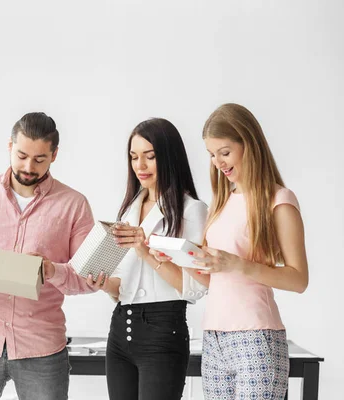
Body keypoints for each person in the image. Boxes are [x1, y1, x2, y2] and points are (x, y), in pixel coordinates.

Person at [0, 112, 103, 400]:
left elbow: (89, 279)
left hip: (41, 348)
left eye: (39, 159)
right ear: (9, 146)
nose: (28, 167)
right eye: (21, 155)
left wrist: (51, 270)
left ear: (54, 155)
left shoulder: (74, 205)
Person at [193, 103, 309, 400]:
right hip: (214, 338)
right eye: (212, 154)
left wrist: (238, 264)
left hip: (256, 338)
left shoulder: (279, 199)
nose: (218, 162)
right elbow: (217, 280)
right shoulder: (222, 202)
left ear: (250, 144)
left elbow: (298, 280)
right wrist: (188, 262)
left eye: (225, 152)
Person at [101, 118, 208, 400]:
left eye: (150, 156)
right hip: (120, 331)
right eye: (134, 157)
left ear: (169, 157)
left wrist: (146, 252)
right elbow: (125, 287)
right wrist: (102, 283)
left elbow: (197, 286)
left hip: (163, 331)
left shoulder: (191, 210)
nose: (140, 166)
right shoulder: (128, 210)